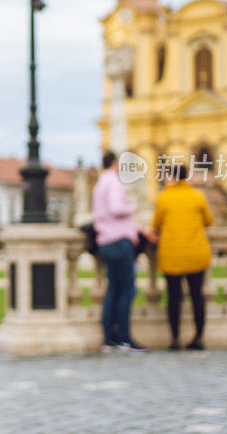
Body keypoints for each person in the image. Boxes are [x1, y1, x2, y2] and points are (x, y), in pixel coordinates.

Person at [91, 151, 151, 353]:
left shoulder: (100, 183)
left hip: (106, 241)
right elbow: (117, 208)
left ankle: (110, 338)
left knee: (113, 291)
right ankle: (124, 338)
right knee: (127, 290)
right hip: (118, 241)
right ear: (116, 163)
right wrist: (132, 207)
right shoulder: (113, 182)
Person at [152, 164, 213, 350]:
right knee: (197, 297)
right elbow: (209, 221)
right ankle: (199, 338)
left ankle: (175, 339)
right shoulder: (198, 196)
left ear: (171, 177)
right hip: (196, 254)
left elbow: (156, 224)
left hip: (172, 256)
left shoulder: (164, 198)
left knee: (174, 298)